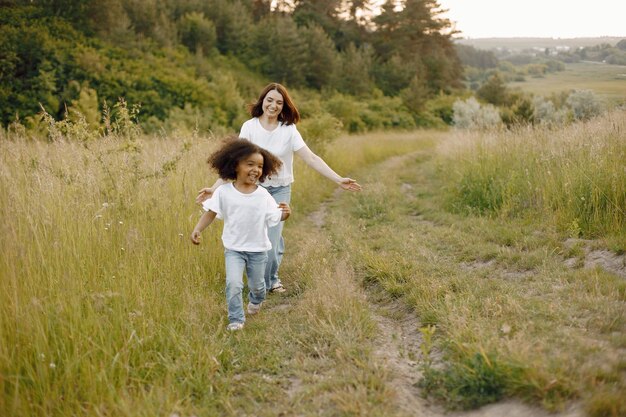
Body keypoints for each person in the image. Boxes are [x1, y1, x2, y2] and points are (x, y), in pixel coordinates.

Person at [196, 83, 361, 294]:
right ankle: (256, 279)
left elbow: (310, 157)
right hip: (254, 191)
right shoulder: (250, 127)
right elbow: (235, 160)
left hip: (280, 190)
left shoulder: (289, 130)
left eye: (279, 102)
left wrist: (338, 179)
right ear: (262, 101)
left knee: (271, 244)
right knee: (256, 238)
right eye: (270, 100)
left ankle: (271, 280)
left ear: (284, 107)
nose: (273, 105)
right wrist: (214, 188)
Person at [191, 138, 291, 331]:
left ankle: (256, 300)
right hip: (234, 250)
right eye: (250, 164)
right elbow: (210, 212)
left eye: (260, 166)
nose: (256, 169)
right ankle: (236, 319)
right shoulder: (224, 192)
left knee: (257, 286)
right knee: (234, 284)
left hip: (258, 250)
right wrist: (197, 229)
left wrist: (286, 213)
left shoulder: (263, 195)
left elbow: (276, 217)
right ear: (235, 165)